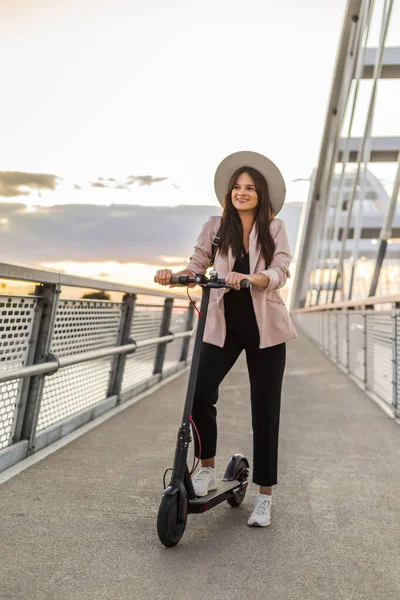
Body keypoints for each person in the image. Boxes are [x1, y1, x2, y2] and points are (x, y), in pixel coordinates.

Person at [155, 151, 297, 527]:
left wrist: (253, 278)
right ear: (229, 193)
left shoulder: (274, 228)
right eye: (237, 187)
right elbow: (197, 263)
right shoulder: (216, 226)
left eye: (250, 188)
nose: (242, 192)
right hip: (223, 325)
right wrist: (176, 275)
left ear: (261, 194)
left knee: (265, 410)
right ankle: (206, 466)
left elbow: (281, 269)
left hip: (266, 329)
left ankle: (265, 496)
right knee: (199, 389)